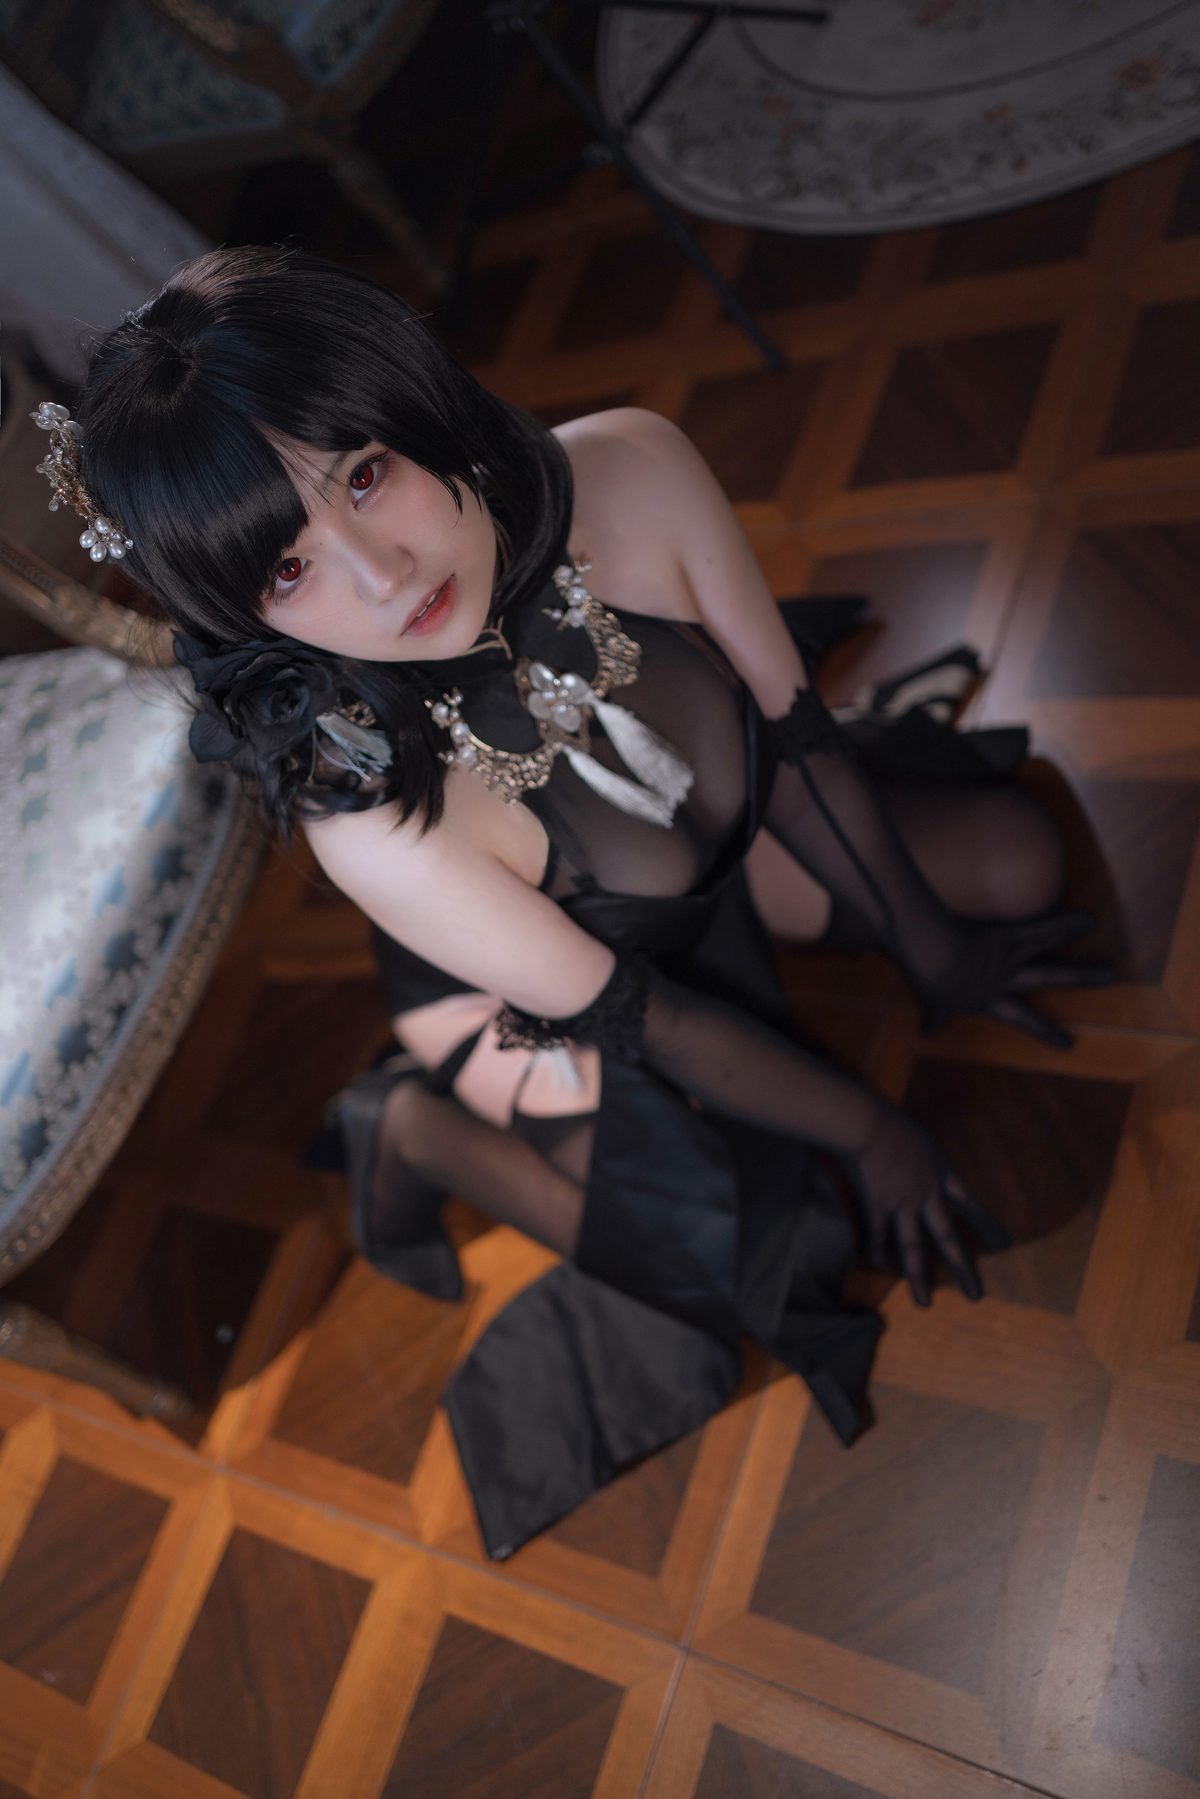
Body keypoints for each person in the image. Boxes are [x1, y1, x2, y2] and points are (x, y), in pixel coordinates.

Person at [41, 244, 1112, 1559]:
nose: (382, 576)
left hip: (693, 857)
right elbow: (659, 1023)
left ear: (408, 394)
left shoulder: (631, 469)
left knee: (1016, 865)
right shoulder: (366, 818)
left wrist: (935, 954)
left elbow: (795, 748)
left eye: (365, 474)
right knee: (784, 1236)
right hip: (529, 1003)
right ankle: (413, 1132)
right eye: (287, 571)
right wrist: (877, 1132)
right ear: (246, 613)